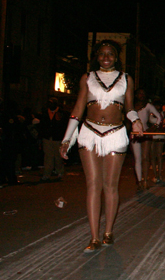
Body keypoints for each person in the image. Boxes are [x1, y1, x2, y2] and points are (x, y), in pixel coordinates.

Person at [60, 40, 143, 253]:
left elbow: (130, 107)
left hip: (115, 134)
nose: (106, 57)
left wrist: (135, 120)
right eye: (102, 54)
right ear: (96, 56)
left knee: (110, 185)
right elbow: (78, 108)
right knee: (93, 185)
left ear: (116, 57)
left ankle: (108, 232)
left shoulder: (126, 79)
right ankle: (94, 237)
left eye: (111, 54)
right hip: (89, 133)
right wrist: (67, 138)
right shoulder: (87, 78)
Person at [132, 88, 162, 190]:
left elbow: (159, 117)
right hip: (135, 133)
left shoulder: (148, 106)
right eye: (139, 93)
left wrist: (154, 127)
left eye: (143, 93)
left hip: (146, 132)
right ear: (136, 95)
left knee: (145, 157)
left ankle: (145, 180)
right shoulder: (131, 107)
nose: (141, 95)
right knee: (137, 158)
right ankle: (139, 181)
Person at [38, 97, 68, 182]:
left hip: (58, 138)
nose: (50, 105)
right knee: (48, 157)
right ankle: (46, 174)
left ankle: (60, 172)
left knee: (58, 156)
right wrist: (40, 137)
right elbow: (41, 126)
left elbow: (65, 126)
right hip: (47, 137)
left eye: (52, 103)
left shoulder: (62, 113)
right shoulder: (45, 112)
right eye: (49, 103)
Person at [150, 99, 165, 184]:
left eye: (158, 105)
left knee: (159, 155)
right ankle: (155, 174)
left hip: (160, 136)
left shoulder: (162, 114)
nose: (157, 107)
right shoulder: (150, 113)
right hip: (152, 136)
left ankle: (159, 174)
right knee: (153, 156)